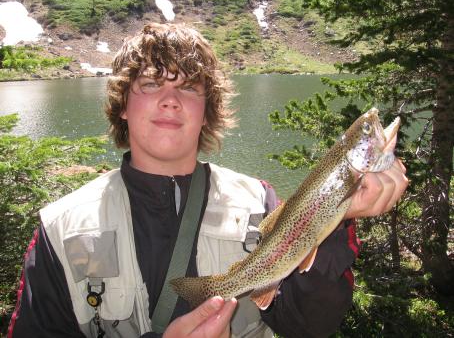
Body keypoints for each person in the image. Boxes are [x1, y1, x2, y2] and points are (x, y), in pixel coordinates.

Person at [7, 22, 408, 338]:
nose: (170, 99)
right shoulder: (61, 228)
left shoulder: (260, 201)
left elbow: (310, 326)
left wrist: (336, 223)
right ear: (123, 105)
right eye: (150, 84)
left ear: (206, 110)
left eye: (188, 88)